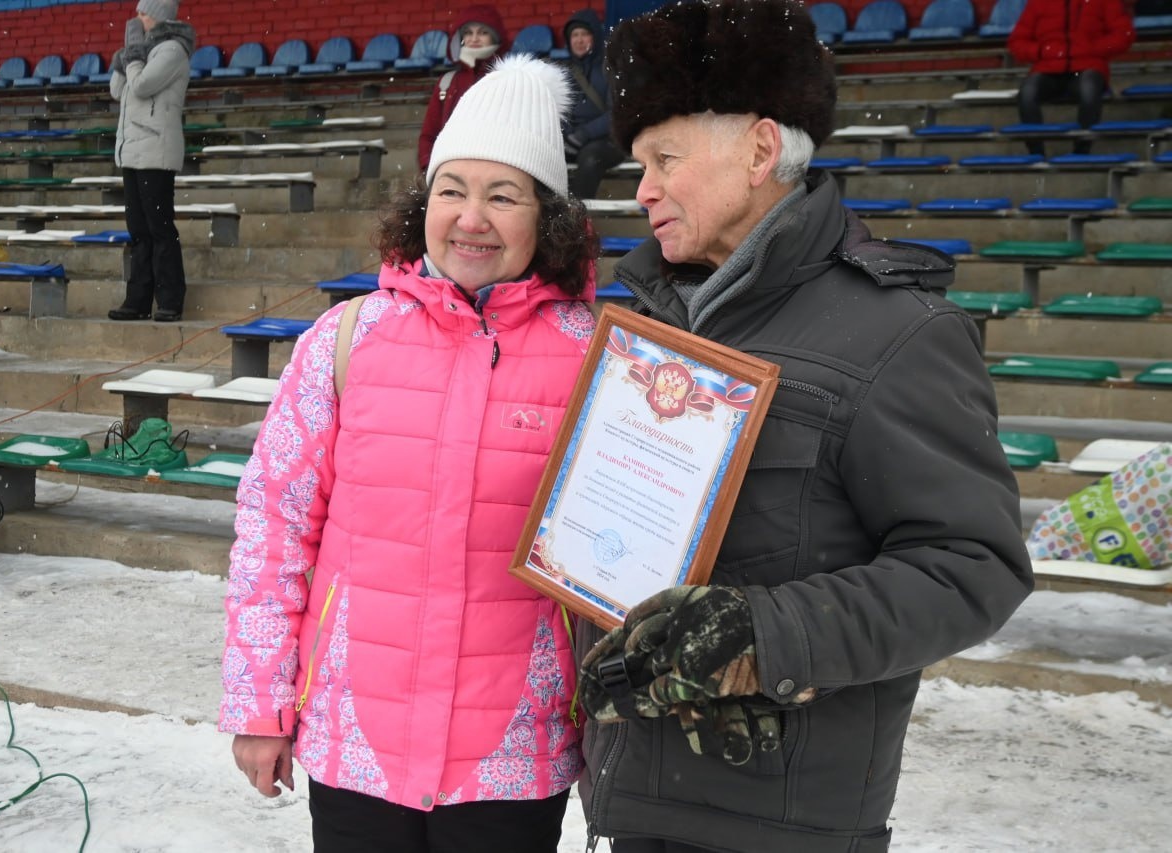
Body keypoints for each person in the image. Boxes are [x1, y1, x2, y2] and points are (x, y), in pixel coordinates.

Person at [571, 2, 1035, 851]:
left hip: (780, 824)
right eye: (638, 164)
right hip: (635, 798)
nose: (639, 190)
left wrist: (760, 635)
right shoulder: (652, 328)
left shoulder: (900, 334)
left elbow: (975, 567)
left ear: (757, 150)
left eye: (662, 160)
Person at [220, 55, 600, 853]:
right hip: (358, 741)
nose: (472, 218)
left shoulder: (595, 357)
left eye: (504, 195)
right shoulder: (345, 339)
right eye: (453, 190)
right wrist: (260, 703)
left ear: (547, 218)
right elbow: (273, 529)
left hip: (512, 755)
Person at [107, 0, 193, 322]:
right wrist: (124, 58)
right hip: (132, 149)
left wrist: (133, 56)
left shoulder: (172, 50)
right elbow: (119, 91)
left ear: (159, 17)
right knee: (138, 230)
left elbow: (141, 86)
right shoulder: (142, 51)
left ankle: (170, 299)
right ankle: (137, 300)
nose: (137, 18)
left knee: (160, 228)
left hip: (156, 150)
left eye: (144, 13)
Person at [1009, 0, 1135, 156]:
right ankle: (1036, 154)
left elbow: (1124, 35)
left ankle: (1081, 152)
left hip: (1088, 66)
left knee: (1089, 88)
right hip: (1048, 68)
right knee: (1028, 91)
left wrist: (1093, 49)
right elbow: (1017, 41)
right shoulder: (1038, 2)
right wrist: (1042, 51)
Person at [417, 5, 507, 173]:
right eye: (468, 32)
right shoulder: (447, 82)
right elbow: (428, 135)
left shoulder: (508, 79)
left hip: (492, 171)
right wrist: (429, 167)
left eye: (483, 32)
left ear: (495, 37)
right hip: (450, 172)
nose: (474, 38)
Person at [560, 8, 625, 199]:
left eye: (585, 34)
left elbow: (617, 113)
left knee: (590, 158)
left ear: (595, 37)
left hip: (607, 142)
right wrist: (565, 136)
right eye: (575, 35)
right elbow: (555, 110)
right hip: (570, 141)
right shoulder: (562, 72)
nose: (579, 40)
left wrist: (583, 134)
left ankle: (576, 215)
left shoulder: (611, 68)